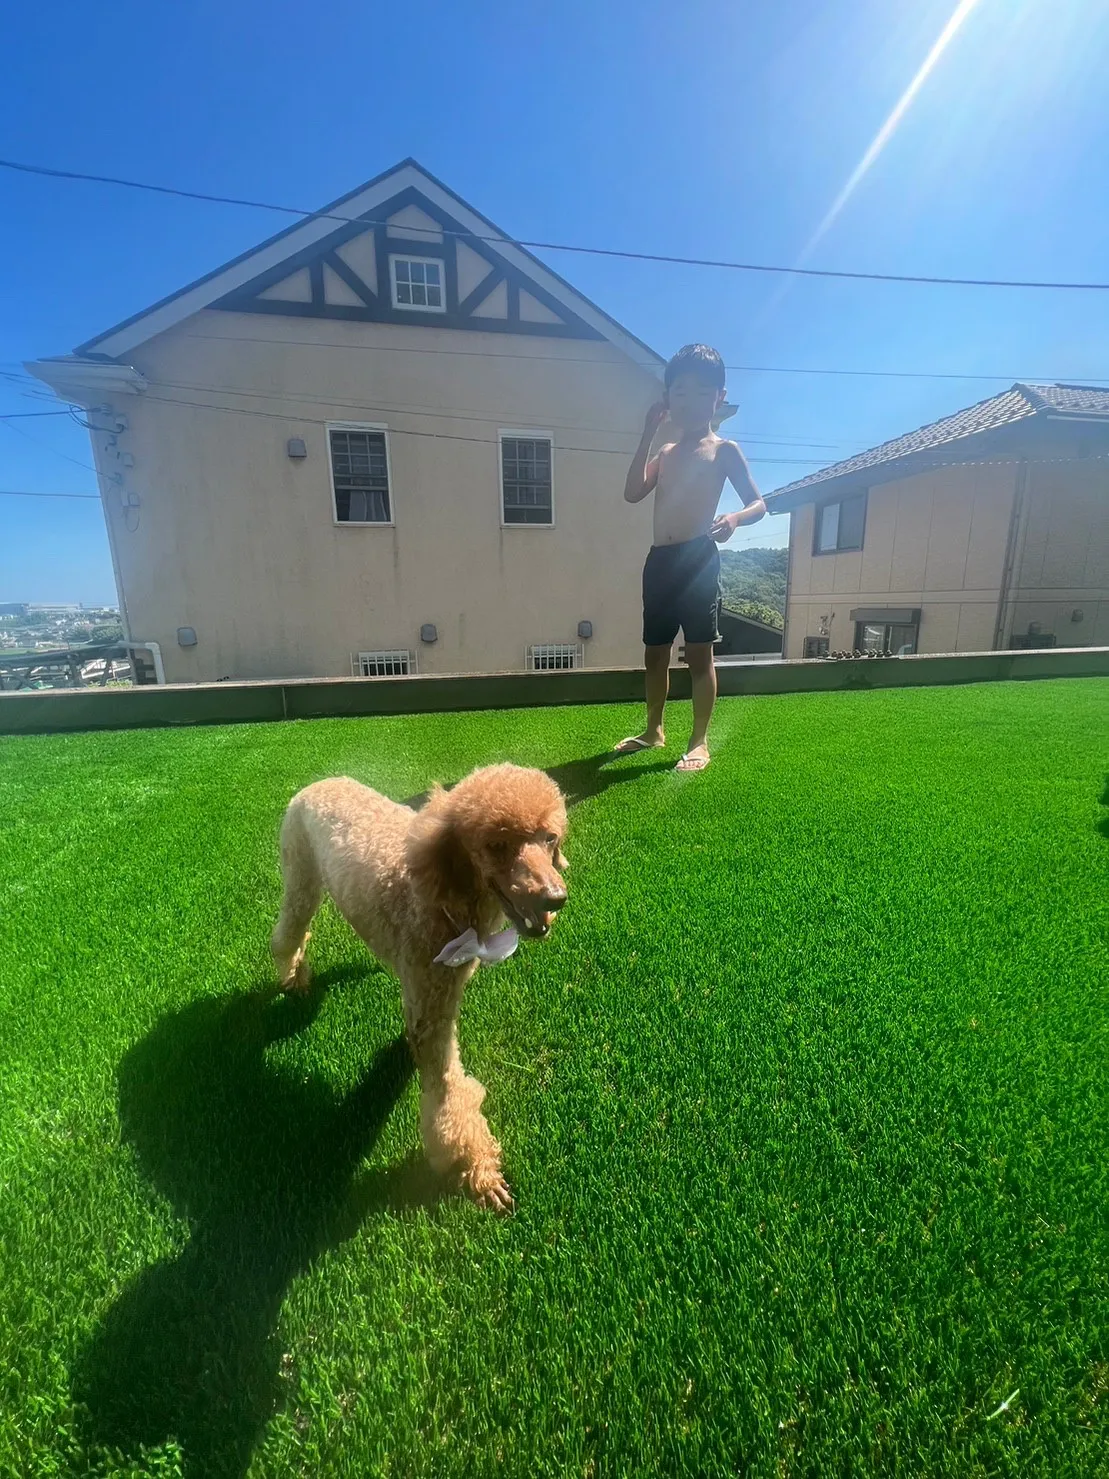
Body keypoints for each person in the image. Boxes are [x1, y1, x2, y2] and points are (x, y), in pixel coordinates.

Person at [617, 344, 766, 772]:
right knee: (654, 653)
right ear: (668, 398)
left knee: (699, 655)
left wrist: (735, 518)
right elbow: (631, 492)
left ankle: (699, 741)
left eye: (702, 392)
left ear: (718, 397)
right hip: (660, 561)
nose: (690, 401)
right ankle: (653, 731)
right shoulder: (664, 454)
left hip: (699, 559)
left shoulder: (724, 450)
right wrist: (648, 432)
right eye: (680, 392)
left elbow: (758, 504)